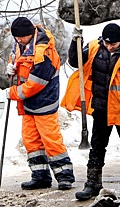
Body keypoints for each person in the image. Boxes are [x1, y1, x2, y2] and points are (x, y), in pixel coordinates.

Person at [62, 23, 120, 201]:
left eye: (113, 45)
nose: (109, 47)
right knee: (97, 147)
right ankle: (92, 184)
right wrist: (75, 41)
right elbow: (75, 61)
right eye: (107, 44)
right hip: (101, 107)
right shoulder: (94, 47)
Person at [5, 17, 76, 191]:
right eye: (17, 38)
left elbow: (36, 83)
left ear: (30, 33)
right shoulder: (20, 45)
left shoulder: (44, 52)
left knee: (51, 140)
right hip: (28, 103)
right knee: (31, 141)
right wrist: (10, 67)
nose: (19, 40)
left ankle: (65, 176)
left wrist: (13, 93)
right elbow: (16, 61)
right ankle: (40, 176)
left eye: (21, 37)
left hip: (44, 101)